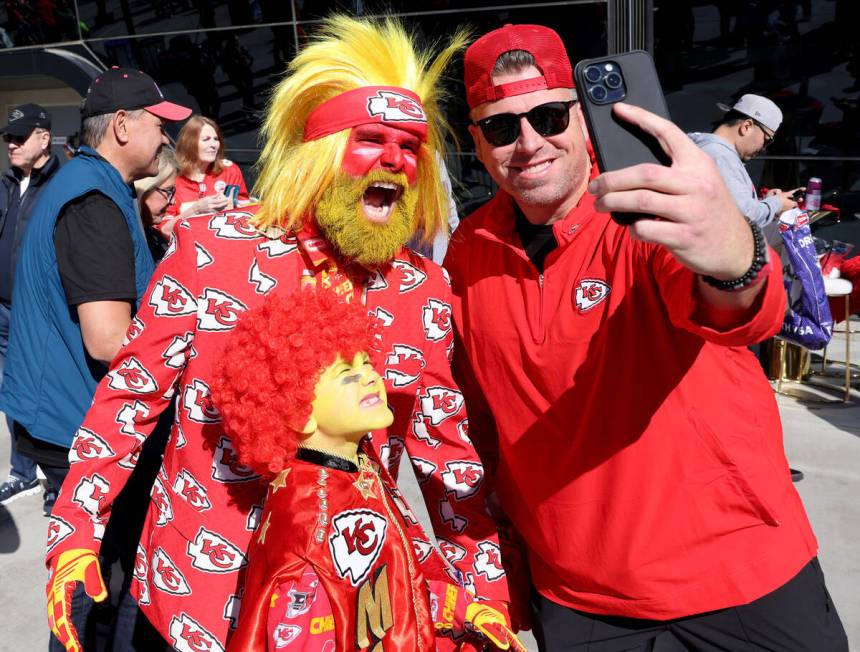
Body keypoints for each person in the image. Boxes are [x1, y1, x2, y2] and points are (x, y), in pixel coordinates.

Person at [45, 16, 512, 652]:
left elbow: (446, 460)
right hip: (200, 605)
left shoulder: (421, 292)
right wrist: (74, 530)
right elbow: (128, 400)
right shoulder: (213, 253)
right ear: (319, 153)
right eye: (372, 139)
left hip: (344, 611)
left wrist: (482, 591)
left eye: (411, 147)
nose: (396, 162)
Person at [445, 24, 849, 650]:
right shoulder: (468, 253)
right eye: (501, 127)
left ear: (584, 118)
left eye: (549, 116)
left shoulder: (648, 208)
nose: (528, 143)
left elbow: (743, 308)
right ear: (477, 140)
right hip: (580, 602)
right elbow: (474, 422)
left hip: (742, 578)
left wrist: (733, 253)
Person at [213, 289, 523, 651]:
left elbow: (388, 593)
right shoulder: (313, 521)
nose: (370, 378)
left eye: (367, 364)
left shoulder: (352, 473)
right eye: (347, 373)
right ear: (299, 410)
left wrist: (465, 612)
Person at [0, 67, 191, 650]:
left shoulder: (86, 184)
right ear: (125, 125)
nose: (166, 140)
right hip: (76, 429)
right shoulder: (93, 200)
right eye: (160, 127)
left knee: (99, 590)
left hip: (64, 418)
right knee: (90, 596)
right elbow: (109, 340)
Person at [0, 103, 61, 507]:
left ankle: (57, 481)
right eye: (9, 138)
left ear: (43, 138)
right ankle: (22, 472)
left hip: (40, 308)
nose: (12, 145)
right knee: (13, 393)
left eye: (20, 137)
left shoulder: (60, 183)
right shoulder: (7, 185)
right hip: (5, 309)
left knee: (47, 393)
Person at [689, 94, 803, 228]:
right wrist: (777, 204)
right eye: (767, 139)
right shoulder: (720, 156)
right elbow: (744, 217)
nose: (764, 148)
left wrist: (764, 202)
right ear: (747, 126)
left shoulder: (712, 151)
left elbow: (731, 206)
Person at [167, 115, 248, 221]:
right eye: (206, 139)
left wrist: (234, 208)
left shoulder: (229, 170)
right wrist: (196, 209)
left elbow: (246, 209)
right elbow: (164, 228)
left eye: (216, 139)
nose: (213, 145)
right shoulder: (171, 177)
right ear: (189, 143)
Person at [134, 147, 180, 260]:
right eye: (169, 191)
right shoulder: (122, 238)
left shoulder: (156, 240)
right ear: (146, 187)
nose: (173, 201)